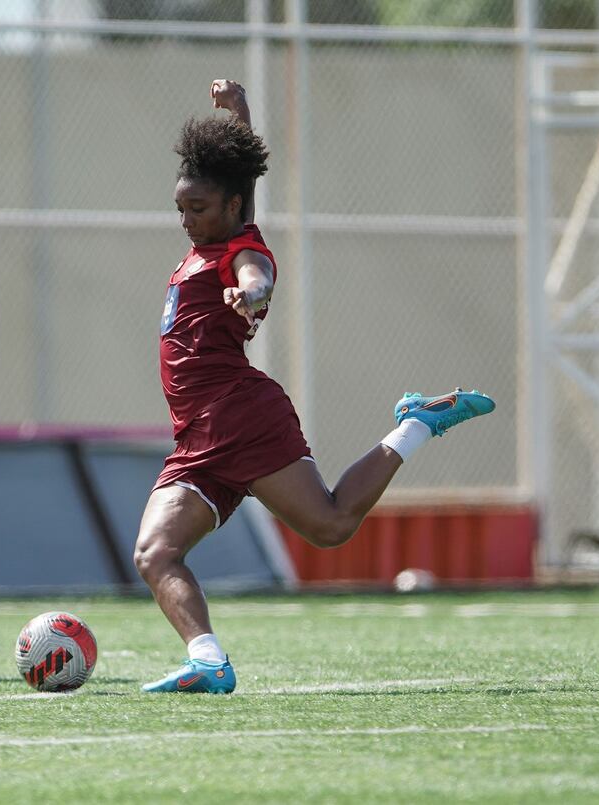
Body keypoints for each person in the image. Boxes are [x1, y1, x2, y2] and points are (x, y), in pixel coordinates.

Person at [134, 80, 495, 694]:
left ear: (231, 207)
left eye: (198, 209)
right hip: (200, 433)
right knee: (154, 554)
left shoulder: (242, 249)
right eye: (181, 209)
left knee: (329, 526)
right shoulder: (214, 235)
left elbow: (258, 275)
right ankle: (209, 663)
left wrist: (251, 294)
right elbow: (242, 170)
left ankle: (416, 422)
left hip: (240, 417)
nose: (187, 220)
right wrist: (238, 114)